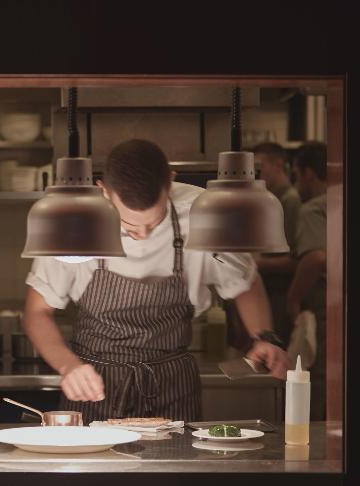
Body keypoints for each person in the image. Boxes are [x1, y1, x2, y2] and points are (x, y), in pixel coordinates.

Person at [22, 139, 290, 422]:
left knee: (178, 453)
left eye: (154, 222)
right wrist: (68, 367)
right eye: (129, 225)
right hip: (93, 384)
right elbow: (37, 312)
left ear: (170, 182)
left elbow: (245, 281)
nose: (143, 234)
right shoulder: (73, 220)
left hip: (173, 384)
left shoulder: (206, 212)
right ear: (104, 190)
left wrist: (264, 337)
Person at [286, 141, 327, 420]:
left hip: (327, 301)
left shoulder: (313, 208)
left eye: (297, 175)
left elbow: (316, 258)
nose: (296, 183)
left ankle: (325, 439)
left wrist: (293, 299)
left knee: (322, 376)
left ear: (309, 173)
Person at [252, 142, 301, 346]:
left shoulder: (289, 200)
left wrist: (253, 263)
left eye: (260, 166)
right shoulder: (269, 199)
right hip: (268, 289)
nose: (255, 173)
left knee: (274, 348)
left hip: (279, 292)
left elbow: (295, 260)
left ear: (279, 165)